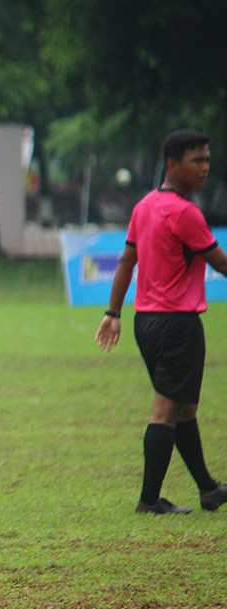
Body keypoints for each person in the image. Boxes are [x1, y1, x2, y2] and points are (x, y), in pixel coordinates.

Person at [96, 129, 227, 515]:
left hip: (147, 323)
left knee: (183, 408)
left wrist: (113, 313)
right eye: (196, 161)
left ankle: (208, 489)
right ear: (172, 164)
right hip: (177, 324)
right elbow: (221, 263)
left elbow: (127, 260)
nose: (204, 167)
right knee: (166, 410)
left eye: (206, 160)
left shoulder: (145, 206)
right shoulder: (185, 212)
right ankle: (149, 500)